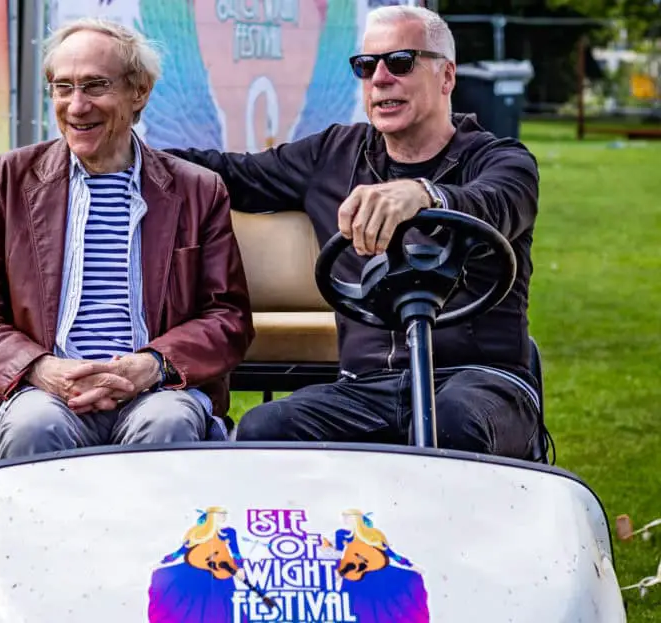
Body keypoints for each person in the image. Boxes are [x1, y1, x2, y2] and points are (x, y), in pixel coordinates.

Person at [164, 5, 542, 459]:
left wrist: (423, 195)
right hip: (367, 388)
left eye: (400, 62)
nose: (380, 78)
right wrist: (126, 150)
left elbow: (494, 204)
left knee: (455, 423)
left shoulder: (502, 161)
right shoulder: (334, 154)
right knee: (265, 427)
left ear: (447, 77)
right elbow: (229, 174)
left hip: (480, 381)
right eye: (366, 66)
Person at [0, 17, 254, 478]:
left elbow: (227, 316)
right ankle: (35, 553)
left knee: (168, 423)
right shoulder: (6, 180)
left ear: (140, 92)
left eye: (95, 85)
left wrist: (150, 366)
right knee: (31, 426)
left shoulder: (197, 189)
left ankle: (152, 552)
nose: (76, 105)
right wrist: (39, 368)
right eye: (62, 87)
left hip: (155, 391)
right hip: (43, 389)